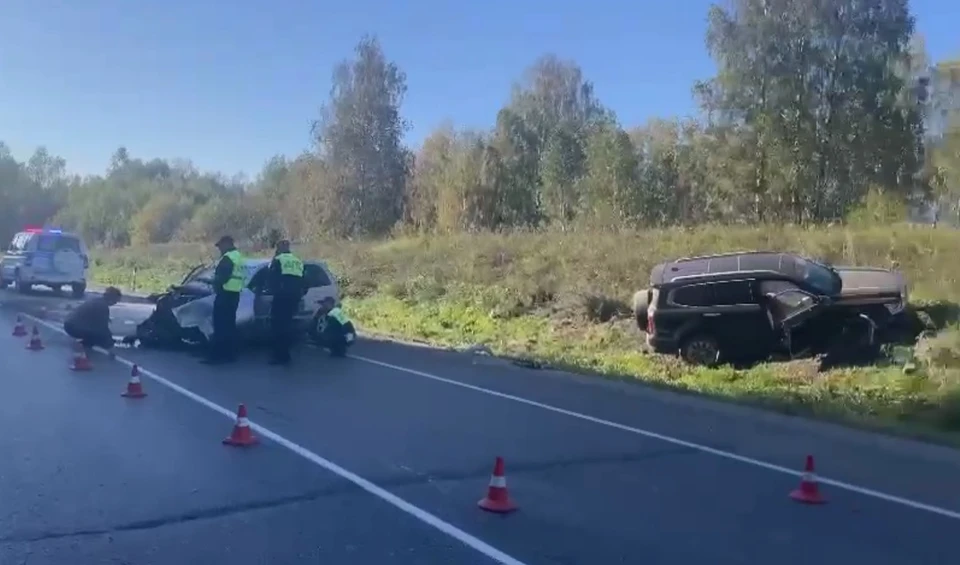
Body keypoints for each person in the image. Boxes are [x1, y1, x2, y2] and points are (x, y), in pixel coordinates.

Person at [203, 235, 245, 364]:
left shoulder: (227, 258)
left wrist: (211, 282)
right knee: (230, 326)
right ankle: (230, 355)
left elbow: (222, 278)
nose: (220, 249)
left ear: (227, 244)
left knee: (220, 325)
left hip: (225, 294)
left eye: (220, 246)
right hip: (235, 294)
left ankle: (216, 356)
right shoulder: (239, 257)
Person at [267, 239, 305, 365]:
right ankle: (286, 354)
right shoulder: (297, 261)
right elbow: (305, 281)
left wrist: (274, 291)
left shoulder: (279, 259)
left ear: (279, 248)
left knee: (277, 326)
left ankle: (279, 355)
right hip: (294, 298)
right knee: (287, 325)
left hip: (282, 297)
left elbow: (271, 279)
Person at [64, 286, 122, 358]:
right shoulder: (102, 306)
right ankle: (84, 346)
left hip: (69, 324)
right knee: (98, 334)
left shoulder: (97, 301)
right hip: (74, 327)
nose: (115, 303)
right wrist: (111, 347)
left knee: (95, 332)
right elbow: (103, 328)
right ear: (112, 298)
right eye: (116, 301)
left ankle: (85, 343)